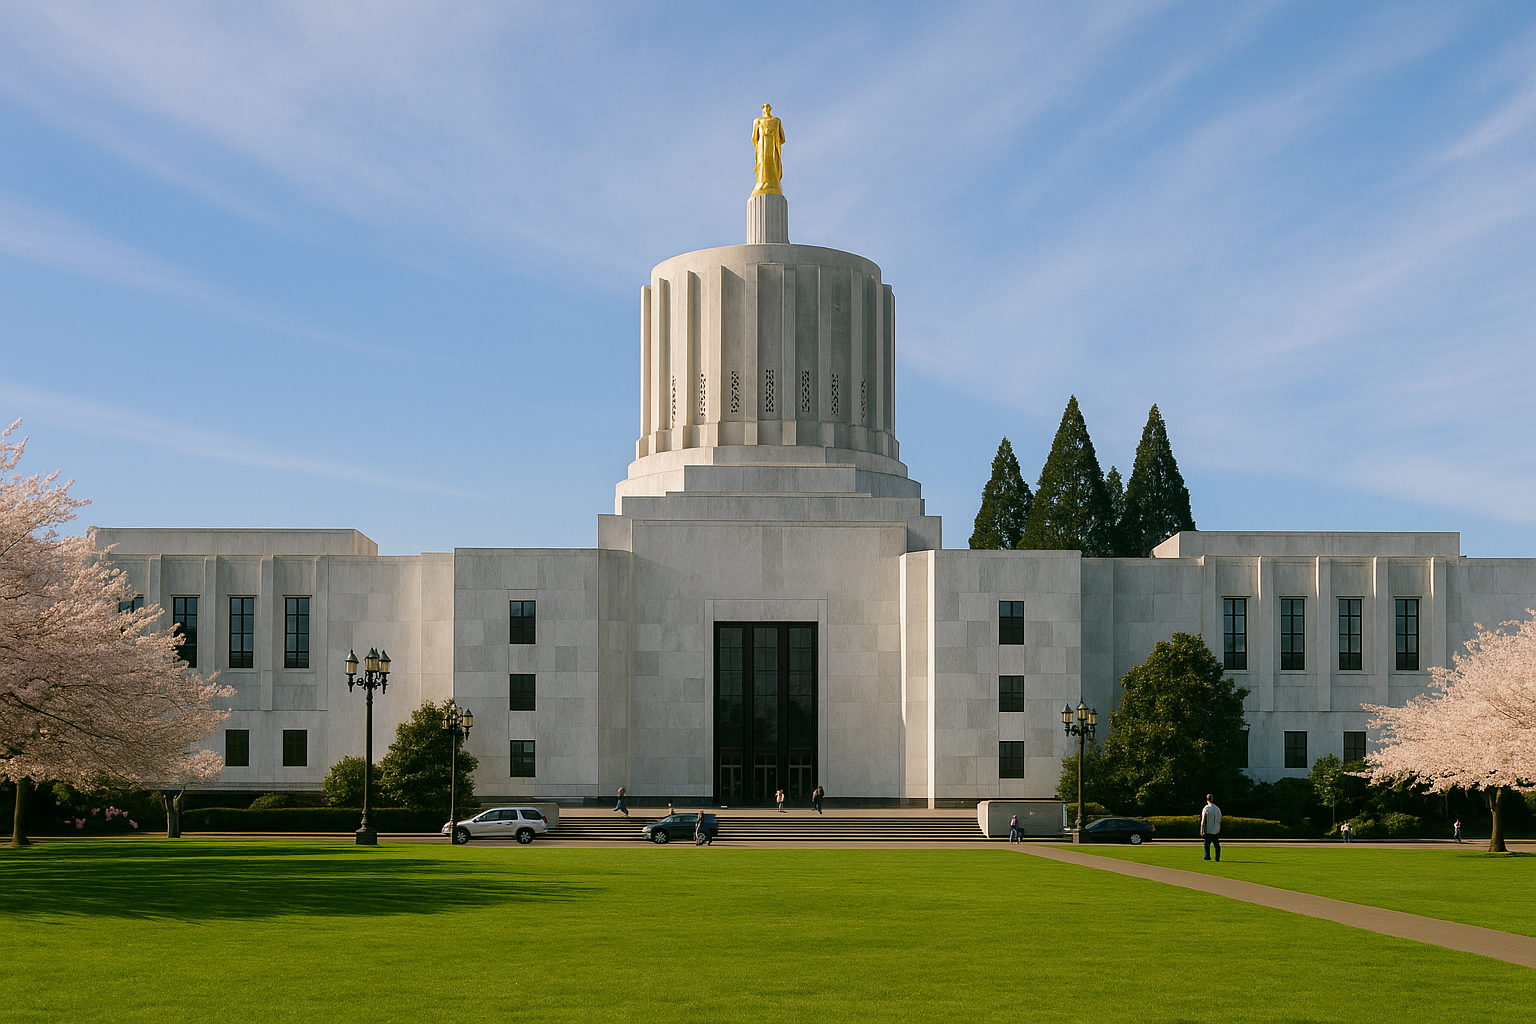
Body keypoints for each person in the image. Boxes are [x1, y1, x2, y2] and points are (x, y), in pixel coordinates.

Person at [1199, 794, 1222, 862]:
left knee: (1206, 844)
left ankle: (1207, 856)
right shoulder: (1217, 809)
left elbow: (1203, 819)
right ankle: (1217, 857)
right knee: (1216, 845)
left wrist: (1202, 829)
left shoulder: (1206, 808)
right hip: (1215, 830)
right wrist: (1218, 828)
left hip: (1207, 829)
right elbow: (1219, 820)